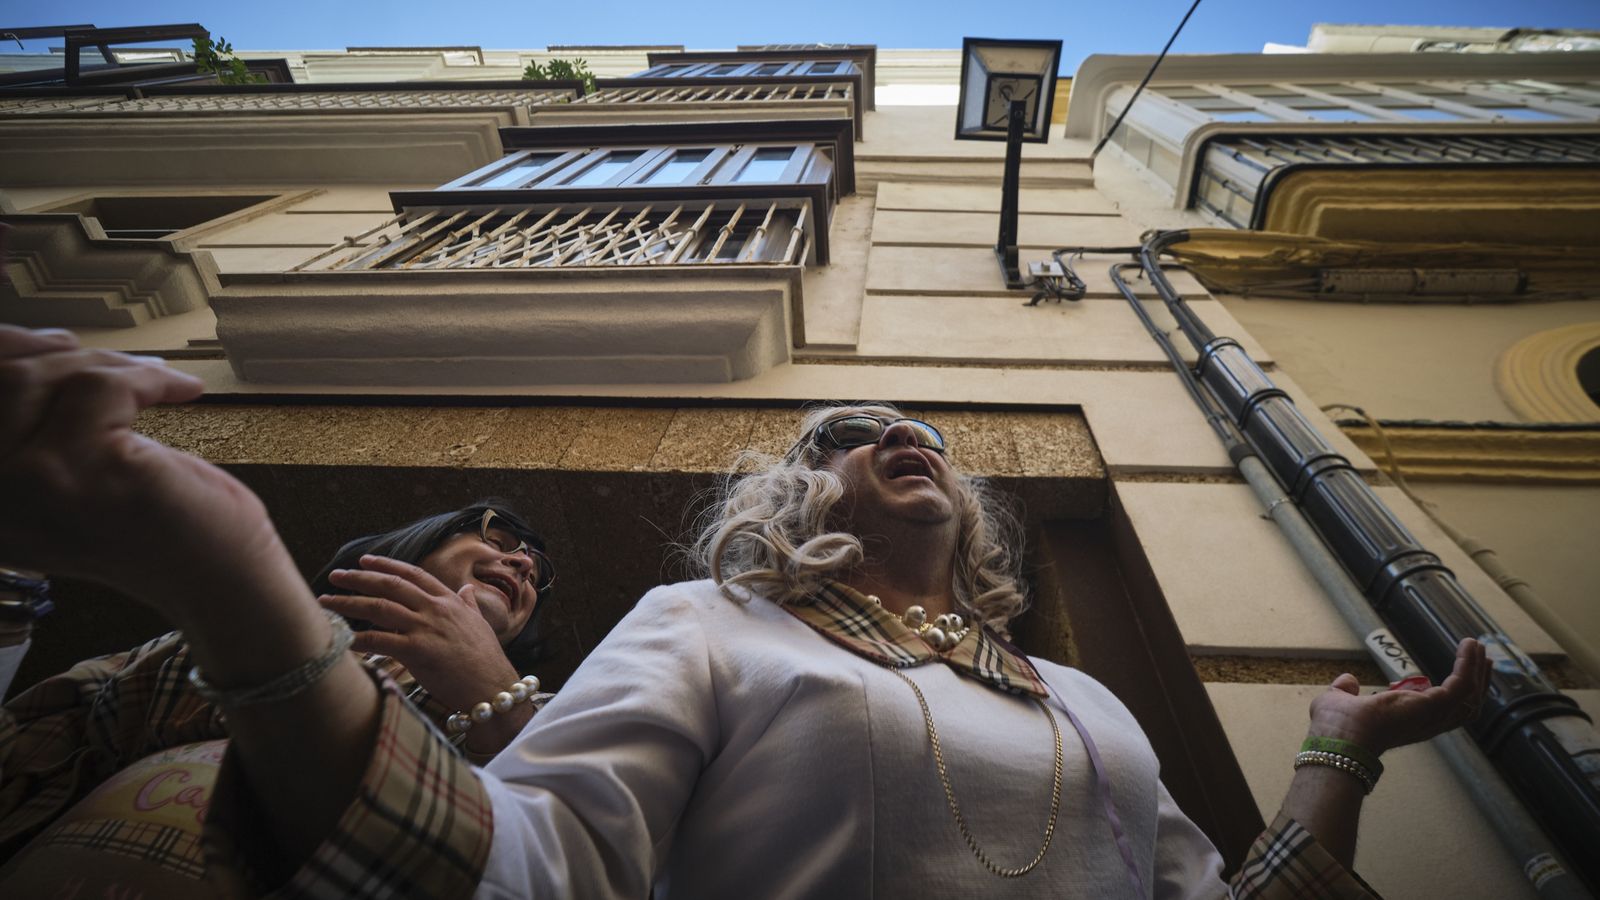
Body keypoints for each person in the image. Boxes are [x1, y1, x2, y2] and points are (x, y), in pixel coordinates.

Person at [0, 325, 1489, 898]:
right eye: (845, 431)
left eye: (920, 431)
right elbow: (533, 867)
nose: (898, 430)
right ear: (796, 505)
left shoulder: (1079, 699)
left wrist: (1335, 753)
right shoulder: (705, 627)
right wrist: (235, 573)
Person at [0, 497, 556, 894]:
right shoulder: (197, 646)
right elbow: (22, 752)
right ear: (421, 543)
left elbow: (559, 857)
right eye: (499, 539)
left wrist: (496, 695)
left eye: (534, 570)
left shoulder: (555, 718)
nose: (524, 564)